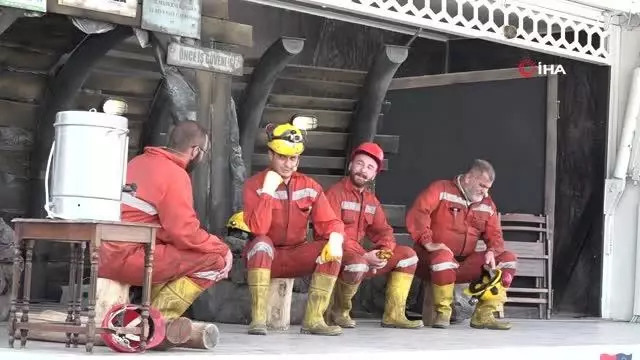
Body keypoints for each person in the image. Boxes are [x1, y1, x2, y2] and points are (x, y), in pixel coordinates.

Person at [98, 120, 233, 321]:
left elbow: (157, 226)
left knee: (175, 250)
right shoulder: (175, 174)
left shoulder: (137, 162)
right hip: (129, 259)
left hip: (102, 256)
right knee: (215, 262)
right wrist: (221, 248)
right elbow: (184, 232)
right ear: (195, 151)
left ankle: (142, 316)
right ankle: (151, 322)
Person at [242, 122, 345, 336]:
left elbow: (329, 222)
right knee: (261, 244)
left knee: (332, 252)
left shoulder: (310, 186)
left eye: (293, 158)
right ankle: (258, 319)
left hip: (297, 254)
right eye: (282, 157)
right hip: (265, 258)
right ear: (270, 155)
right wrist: (268, 192)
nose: (288, 164)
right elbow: (258, 229)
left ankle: (314, 320)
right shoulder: (254, 185)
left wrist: (336, 238)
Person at [405, 159, 517, 330]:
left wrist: (492, 251)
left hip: (462, 264)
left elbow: (496, 235)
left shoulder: (487, 204)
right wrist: (428, 243)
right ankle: (443, 312)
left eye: (488, 188)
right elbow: (419, 212)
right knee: (443, 256)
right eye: (482, 186)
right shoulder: (440, 189)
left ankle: (483, 315)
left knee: (508, 259)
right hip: (431, 262)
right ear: (468, 178)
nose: (485, 193)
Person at [324, 142, 423, 329]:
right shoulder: (334, 193)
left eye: (370, 167)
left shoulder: (371, 200)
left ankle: (394, 315)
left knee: (408, 256)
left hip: (363, 258)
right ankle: (339, 312)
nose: (363, 170)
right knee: (357, 262)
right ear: (350, 165)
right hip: (336, 258)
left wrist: (384, 252)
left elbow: (384, 231)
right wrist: (364, 255)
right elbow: (333, 233)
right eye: (360, 164)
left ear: (374, 174)